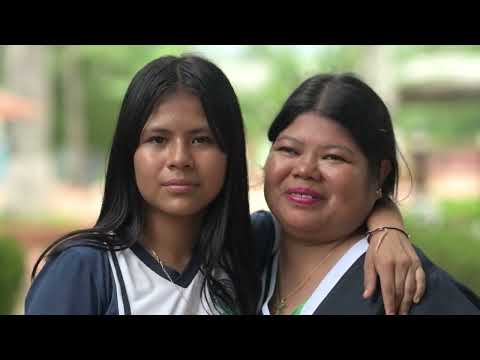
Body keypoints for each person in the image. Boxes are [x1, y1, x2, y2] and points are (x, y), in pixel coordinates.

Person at [25, 55, 424, 315]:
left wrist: (387, 223)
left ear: (230, 153)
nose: (179, 158)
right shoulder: (84, 270)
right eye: (157, 140)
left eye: (202, 140)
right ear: (129, 153)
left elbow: (323, 208)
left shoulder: (251, 249)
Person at [257, 73, 480, 315]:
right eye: (289, 150)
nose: (305, 170)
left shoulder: (405, 287)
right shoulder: (245, 249)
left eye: (333, 157)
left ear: (379, 174)